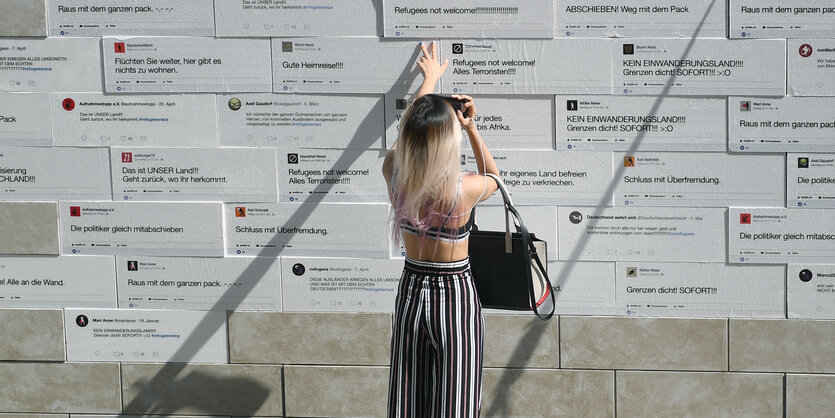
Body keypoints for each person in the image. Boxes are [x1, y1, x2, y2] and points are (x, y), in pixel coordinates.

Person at [382, 41, 500, 417]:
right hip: (455, 296)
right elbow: (494, 178)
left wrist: (429, 81)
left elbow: (406, 139)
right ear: (449, 144)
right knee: (457, 402)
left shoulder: (397, 176)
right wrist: (471, 128)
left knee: (408, 398)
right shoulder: (462, 190)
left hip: (413, 289)